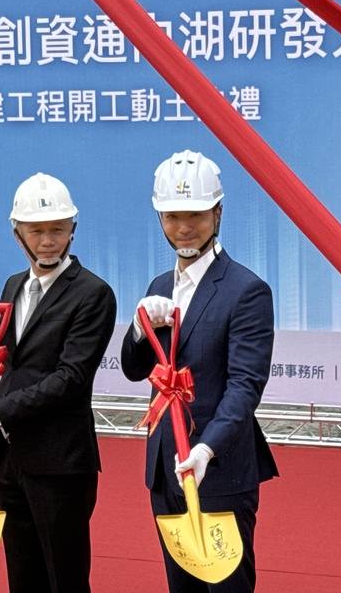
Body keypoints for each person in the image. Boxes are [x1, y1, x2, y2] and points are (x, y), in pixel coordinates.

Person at [121, 149, 278, 592]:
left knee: (226, 586)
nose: (184, 227)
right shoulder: (158, 286)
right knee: (181, 585)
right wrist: (138, 327)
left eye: (196, 215)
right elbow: (136, 370)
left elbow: (245, 387)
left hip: (219, 468)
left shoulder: (247, 290)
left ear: (219, 213)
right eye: (171, 216)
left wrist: (206, 449)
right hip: (165, 466)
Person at [0, 172, 116, 593]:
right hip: (11, 459)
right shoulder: (14, 286)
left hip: (61, 461)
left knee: (64, 578)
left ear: (73, 230)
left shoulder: (93, 293)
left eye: (57, 230)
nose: (47, 240)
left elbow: (71, 378)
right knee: (22, 576)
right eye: (37, 231)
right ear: (18, 234)